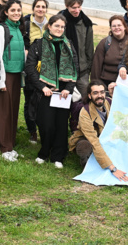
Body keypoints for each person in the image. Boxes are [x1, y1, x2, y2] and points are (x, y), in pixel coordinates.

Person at [25, 14, 78, 168]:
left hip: (63, 92)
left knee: (61, 124)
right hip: (45, 90)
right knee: (46, 124)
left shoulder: (69, 45)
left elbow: (75, 67)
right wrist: (42, 87)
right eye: (56, 26)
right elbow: (30, 68)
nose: (59, 29)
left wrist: (68, 89)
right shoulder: (39, 44)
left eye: (62, 27)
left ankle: (58, 156)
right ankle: (44, 152)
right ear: (49, 26)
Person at [69, 82, 128, 181]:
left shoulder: (109, 102)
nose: (99, 96)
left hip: (106, 137)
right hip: (88, 139)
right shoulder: (85, 112)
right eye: (95, 93)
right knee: (85, 147)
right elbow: (94, 142)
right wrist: (113, 169)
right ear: (89, 95)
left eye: (102, 92)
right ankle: (88, 166)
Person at [0, 0, 26, 161]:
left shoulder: (18, 28)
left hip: (17, 75)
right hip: (5, 76)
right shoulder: (1, 29)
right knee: (2, 112)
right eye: (13, 10)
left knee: (12, 111)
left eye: (19, 10)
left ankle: (10, 145)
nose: (16, 13)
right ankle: (2, 147)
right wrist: (0, 81)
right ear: (6, 12)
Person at [21, 0, 49, 143]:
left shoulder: (50, 24)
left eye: (43, 7)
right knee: (29, 99)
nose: (40, 9)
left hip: (46, 69)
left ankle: (44, 128)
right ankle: (32, 130)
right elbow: (24, 45)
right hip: (30, 67)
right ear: (33, 9)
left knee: (44, 100)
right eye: (38, 6)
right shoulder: (26, 24)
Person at [61, 0, 94, 98]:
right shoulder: (59, 22)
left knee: (84, 101)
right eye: (73, 8)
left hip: (82, 71)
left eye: (79, 7)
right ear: (66, 6)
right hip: (64, 72)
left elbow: (89, 48)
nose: (77, 10)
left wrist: (87, 67)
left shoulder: (86, 23)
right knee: (64, 104)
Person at [91, 15, 128, 93]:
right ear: (111, 28)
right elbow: (96, 66)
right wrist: (95, 85)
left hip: (126, 83)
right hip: (106, 82)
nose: (116, 28)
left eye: (119, 25)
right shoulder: (104, 43)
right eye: (114, 26)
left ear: (124, 27)